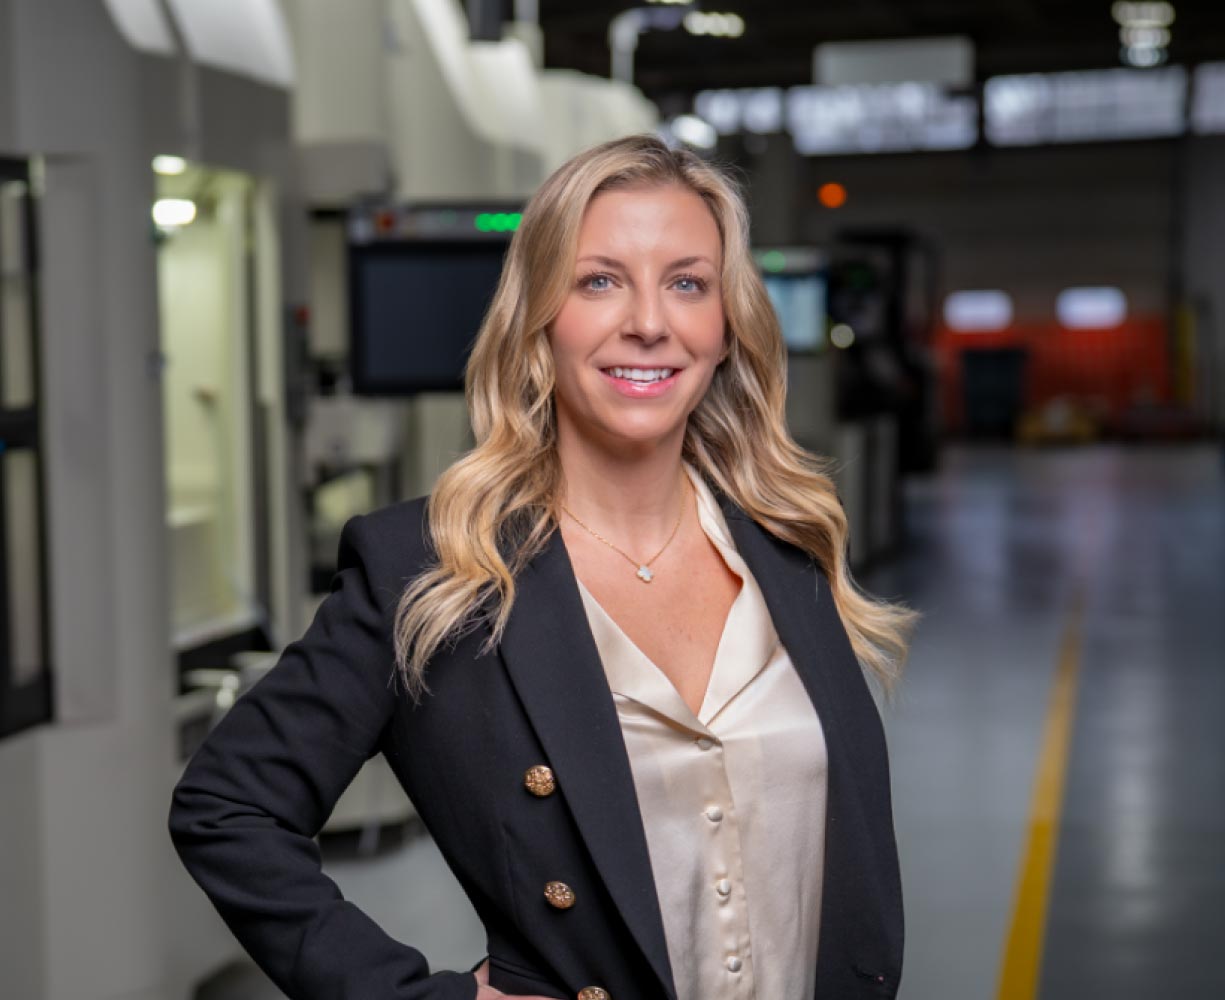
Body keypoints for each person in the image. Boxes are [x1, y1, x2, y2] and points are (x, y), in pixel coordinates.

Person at [168, 134, 917, 1000]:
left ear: (724, 326)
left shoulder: (788, 545)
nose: (649, 321)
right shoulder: (434, 572)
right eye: (599, 280)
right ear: (538, 319)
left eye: (686, 282)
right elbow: (229, 806)